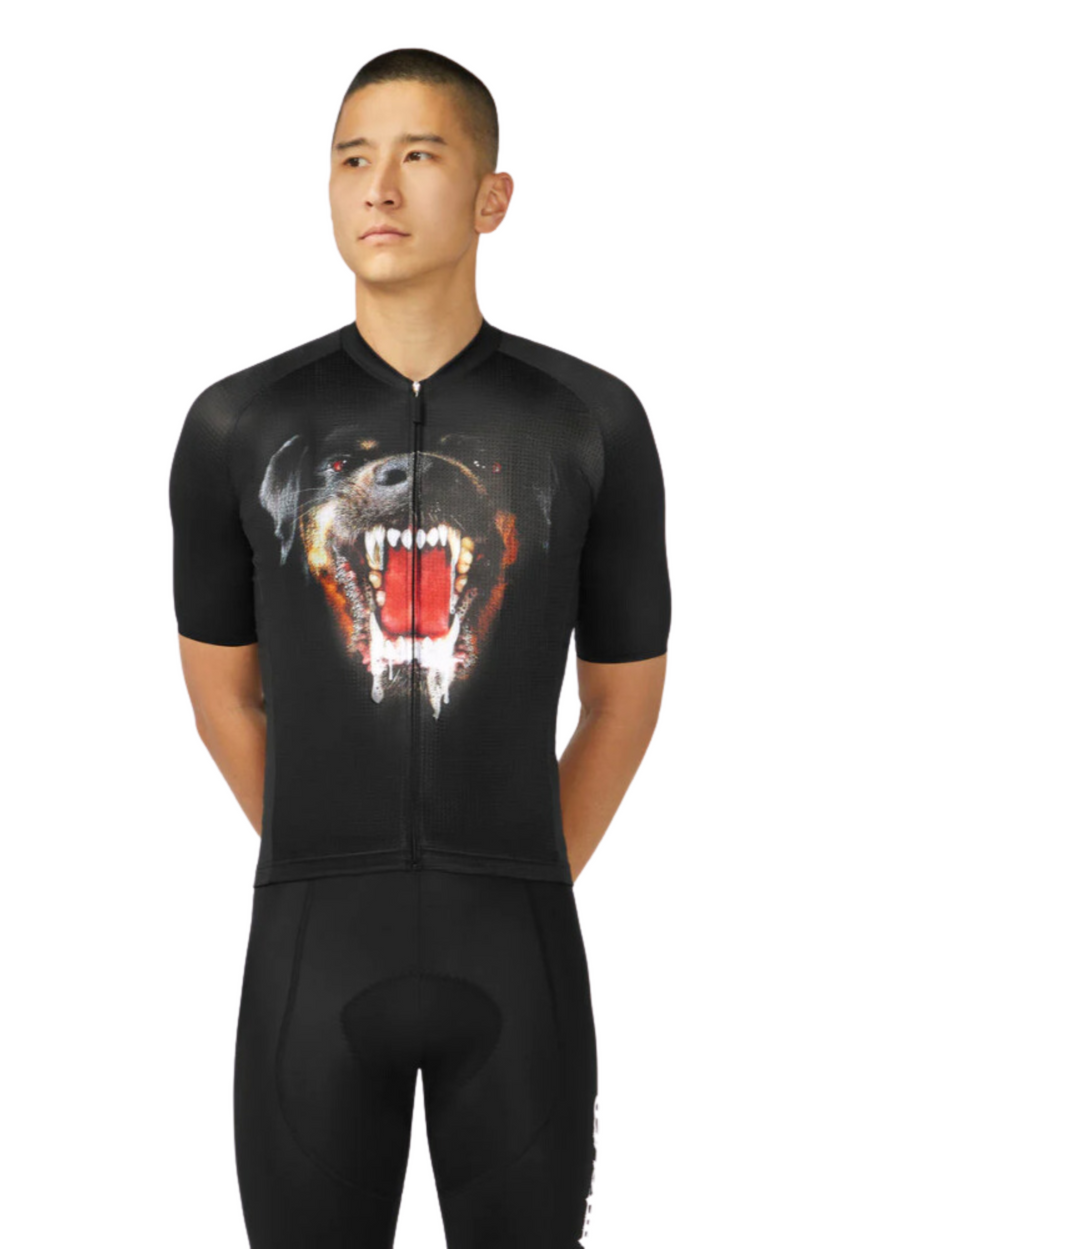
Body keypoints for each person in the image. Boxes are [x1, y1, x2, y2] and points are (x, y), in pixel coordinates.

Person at [169, 47, 670, 1249]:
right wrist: (327, 850)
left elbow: (621, 701)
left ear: (491, 197)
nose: (378, 187)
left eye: (417, 155)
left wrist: (512, 862)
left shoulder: (588, 422)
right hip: (311, 956)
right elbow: (223, 695)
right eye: (351, 160)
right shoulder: (238, 424)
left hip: (516, 952)